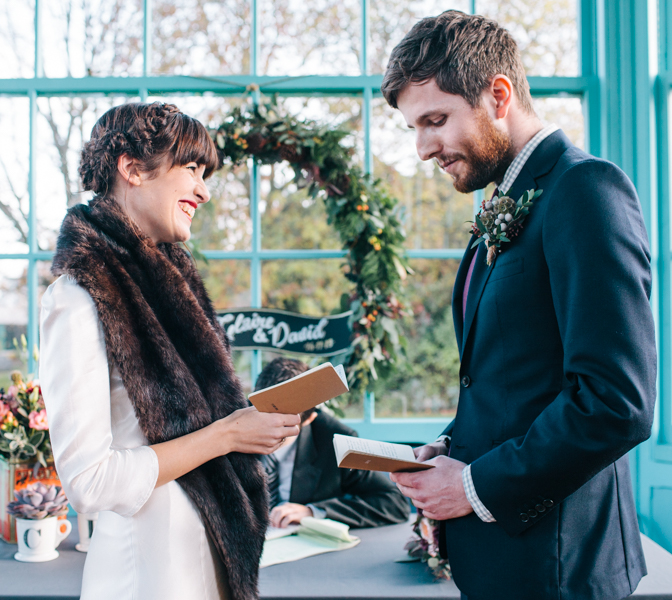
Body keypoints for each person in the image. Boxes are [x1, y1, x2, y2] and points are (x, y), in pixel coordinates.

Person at [381, 11, 657, 600]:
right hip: (503, 563)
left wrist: (477, 483)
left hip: (560, 567)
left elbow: (617, 400)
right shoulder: (508, 199)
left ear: (498, 95)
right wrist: (454, 448)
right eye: (414, 128)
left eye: (435, 120)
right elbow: (510, 380)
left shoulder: (585, 190)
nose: (425, 148)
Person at [39, 102, 301, 600]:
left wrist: (250, 430)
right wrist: (227, 436)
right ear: (133, 168)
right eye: (191, 170)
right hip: (148, 582)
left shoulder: (171, 292)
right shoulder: (77, 299)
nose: (203, 191)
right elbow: (90, 483)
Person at [255, 358, 411, 529]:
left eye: (283, 425)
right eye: (265, 418)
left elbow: (394, 503)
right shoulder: (233, 424)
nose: (270, 430)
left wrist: (314, 512)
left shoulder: (334, 441)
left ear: (309, 420)